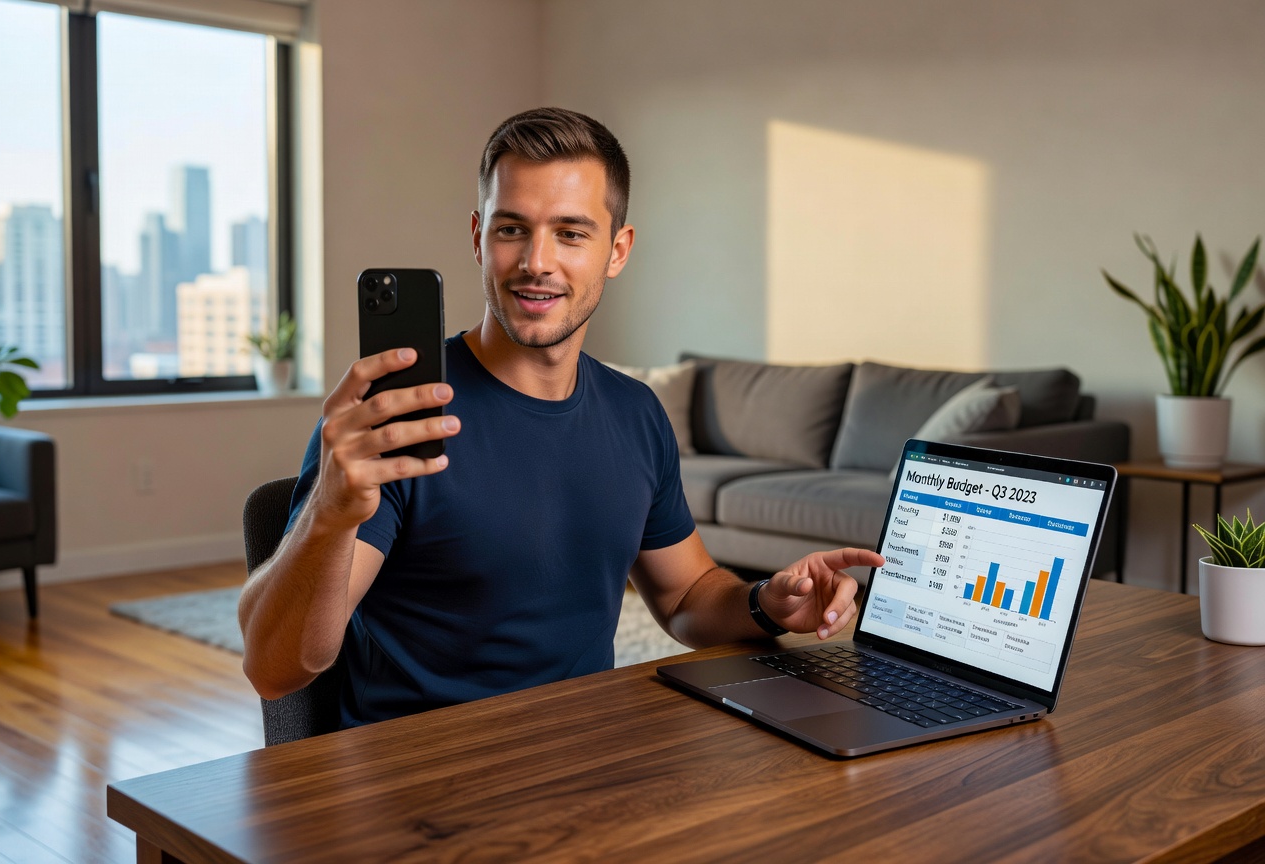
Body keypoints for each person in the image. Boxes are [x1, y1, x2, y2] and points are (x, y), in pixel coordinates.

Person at [238, 107, 884, 726]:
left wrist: (767, 603)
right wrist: (329, 509)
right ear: (478, 236)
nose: (536, 262)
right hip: (420, 788)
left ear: (617, 249)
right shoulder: (399, 418)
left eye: (571, 233)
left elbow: (687, 599)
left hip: (584, 760)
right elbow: (276, 670)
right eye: (511, 228)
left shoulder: (637, 415)